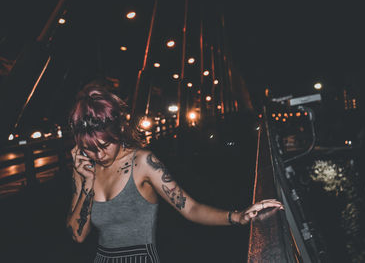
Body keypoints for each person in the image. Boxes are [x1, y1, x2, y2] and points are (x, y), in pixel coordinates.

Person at [66, 81, 284, 262]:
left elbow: (190, 208)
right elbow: (77, 236)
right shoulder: (85, 169)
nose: (99, 155)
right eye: (89, 149)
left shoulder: (142, 163)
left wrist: (237, 216)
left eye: (104, 146)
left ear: (120, 130)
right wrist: (87, 183)